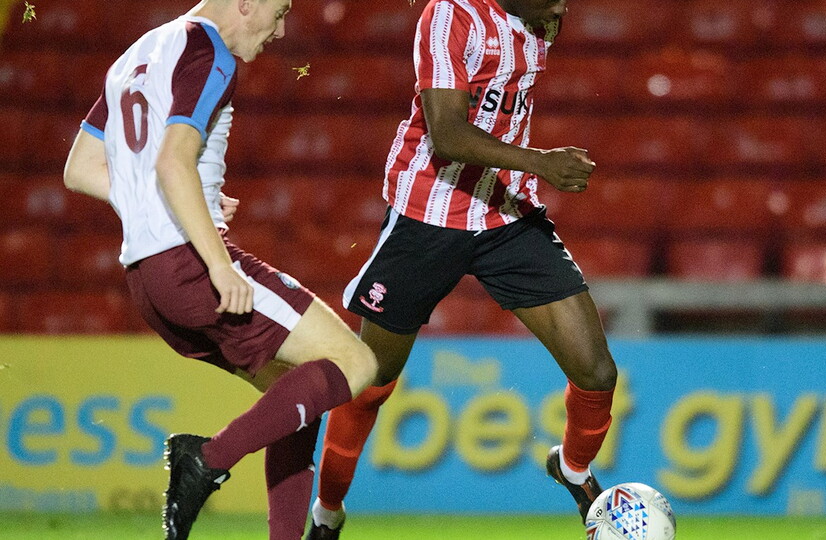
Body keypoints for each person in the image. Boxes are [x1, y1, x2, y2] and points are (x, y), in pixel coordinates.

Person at [61, 1, 376, 539]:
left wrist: (177, 203)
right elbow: (172, 161)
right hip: (191, 266)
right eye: (279, 12)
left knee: (295, 398)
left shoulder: (138, 54)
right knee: (356, 363)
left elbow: (80, 168)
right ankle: (205, 459)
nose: (280, 31)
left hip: (147, 279)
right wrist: (218, 263)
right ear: (247, 3)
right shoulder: (209, 51)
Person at [307, 0, 617, 537]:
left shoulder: (542, 19)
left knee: (597, 372)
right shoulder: (450, 16)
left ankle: (571, 470)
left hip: (505, 214)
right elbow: (447, 135)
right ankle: (327, 514)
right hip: (426, 217)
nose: (563, 5)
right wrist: (541, 162)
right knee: (371, 381)